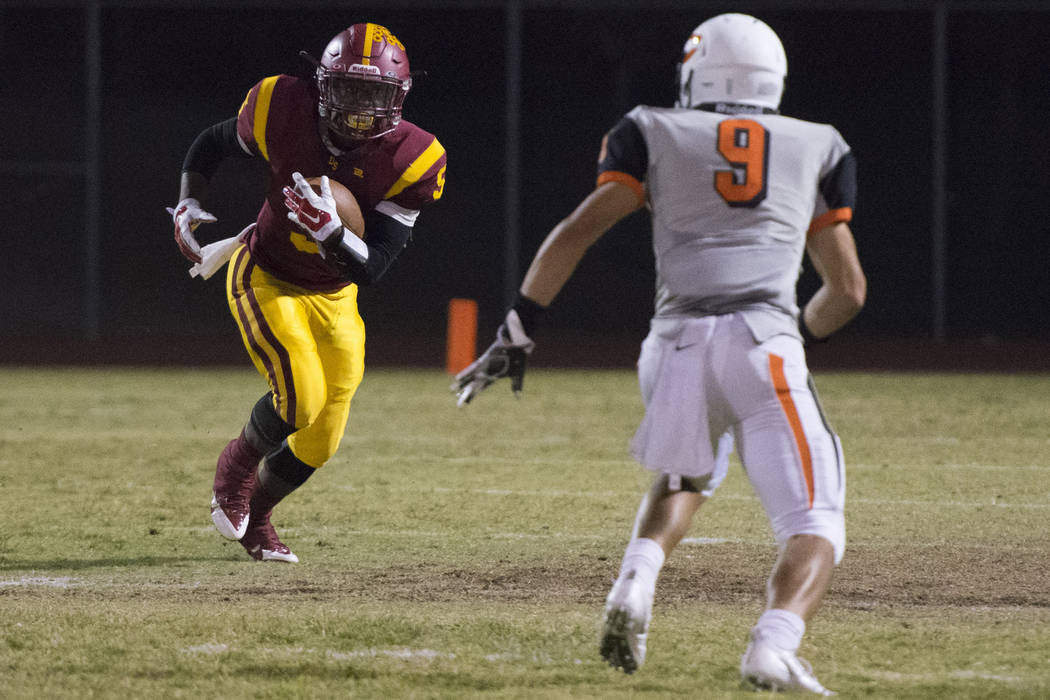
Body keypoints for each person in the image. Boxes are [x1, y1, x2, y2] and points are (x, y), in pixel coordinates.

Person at [453, 13, 864, 695]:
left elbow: (577, 230)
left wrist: (517, 331)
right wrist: (800, 338)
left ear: (698, 71)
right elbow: (846, 289)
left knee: (689, 476)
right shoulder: (819, 144)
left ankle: (635, 580)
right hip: (764, 341)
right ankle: (773, 644)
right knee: (815, 520)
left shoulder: (653, 128)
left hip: (671, 344)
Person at [170, 23, 447, 563]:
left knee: (323, 434)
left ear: (400, 97)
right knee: (301, 395)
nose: (361, 109)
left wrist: (334, 234)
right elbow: (213, 143)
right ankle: (234, 475)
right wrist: (187, 200)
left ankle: (259, 520)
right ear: (321, 84)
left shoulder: (416, 158)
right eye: (349, 90)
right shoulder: (279, 103)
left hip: (337, 292)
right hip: (266, 273)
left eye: (376, 95)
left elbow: (376, 266)